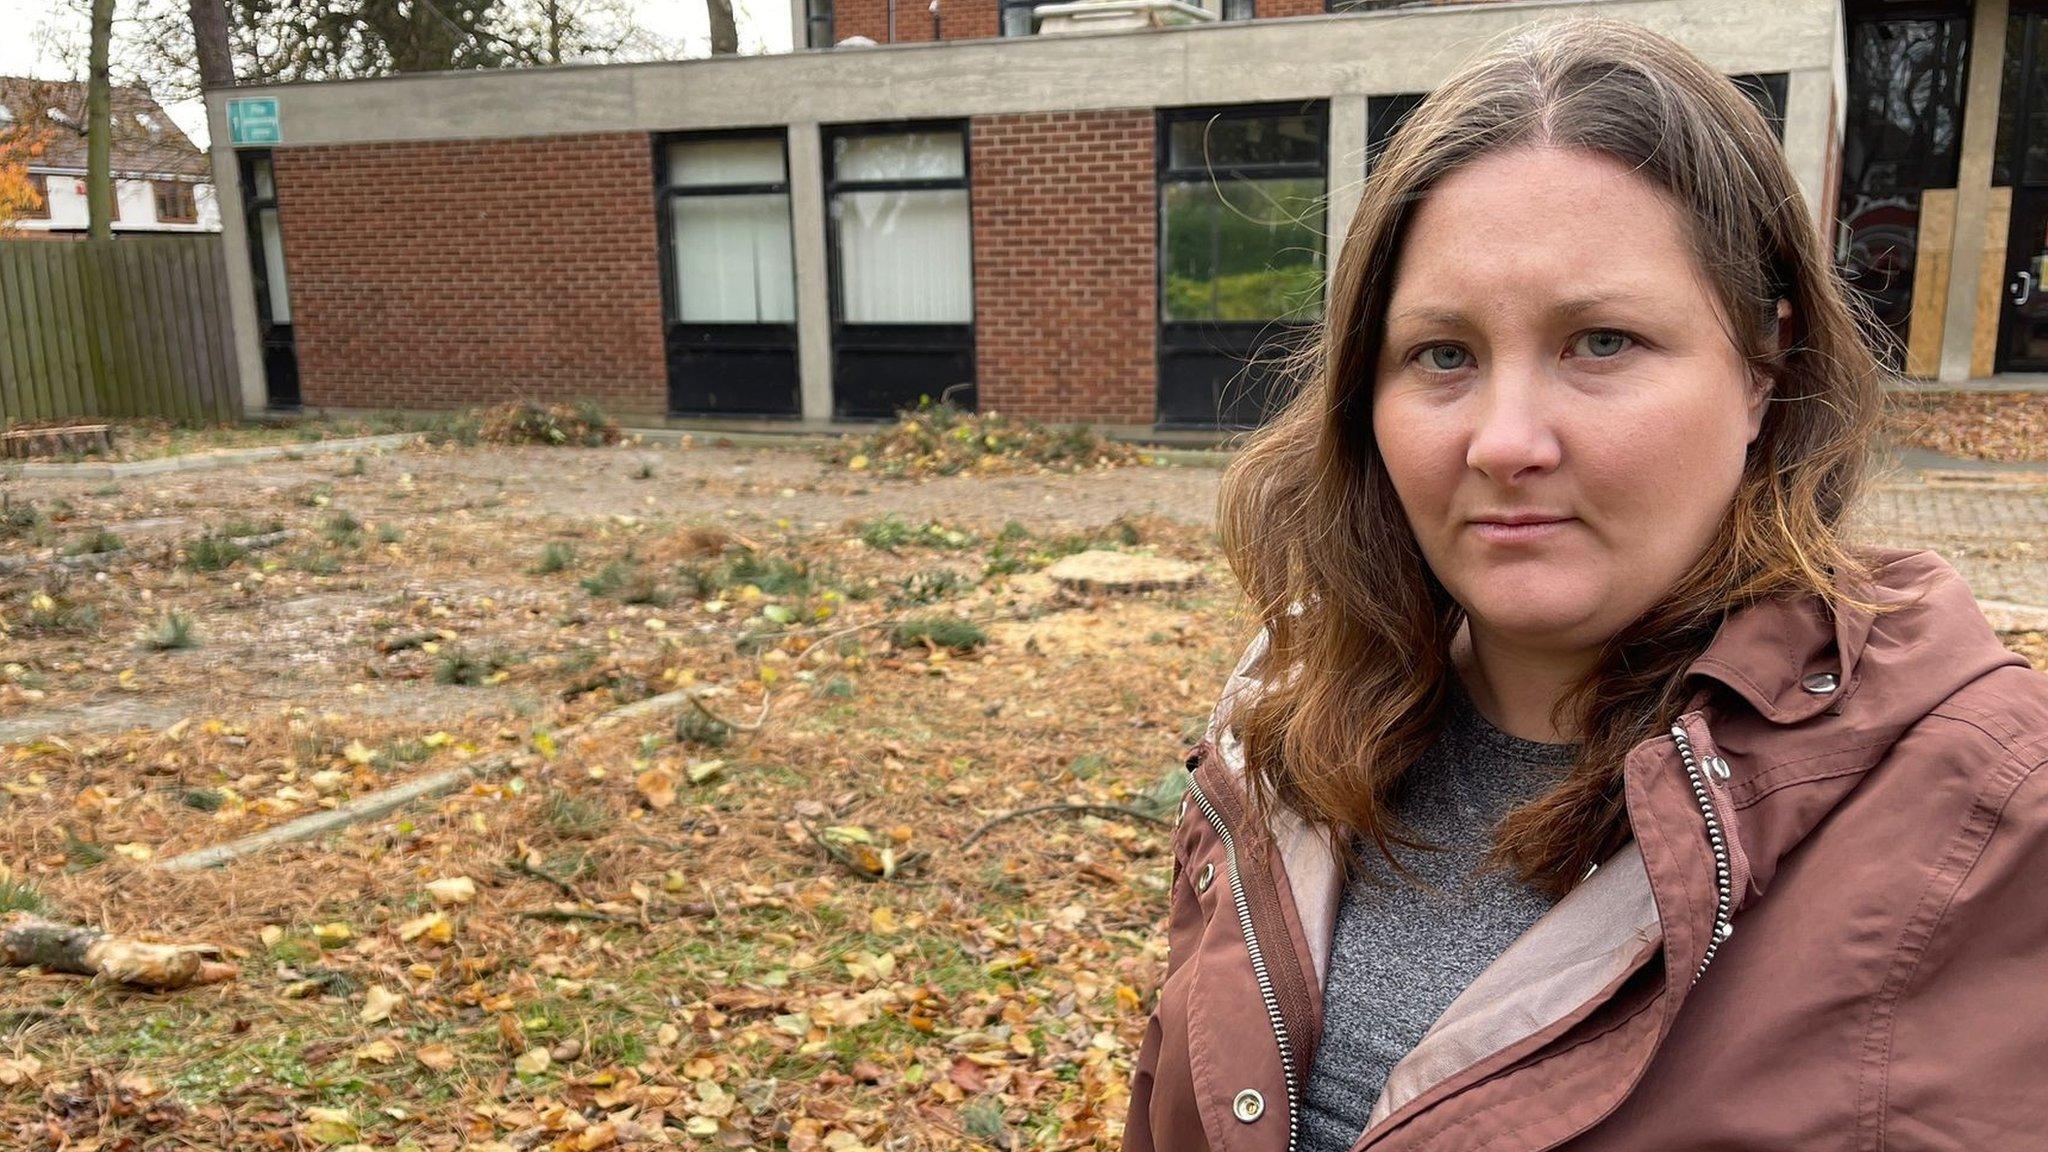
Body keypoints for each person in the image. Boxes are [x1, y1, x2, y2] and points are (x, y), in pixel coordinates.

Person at [1123, 16, 2048, 1152]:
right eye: (1442, 355)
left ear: (1762, 370)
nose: (1503, 441)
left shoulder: (1994, 812)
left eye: (1600, 342)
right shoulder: (1281, 727)